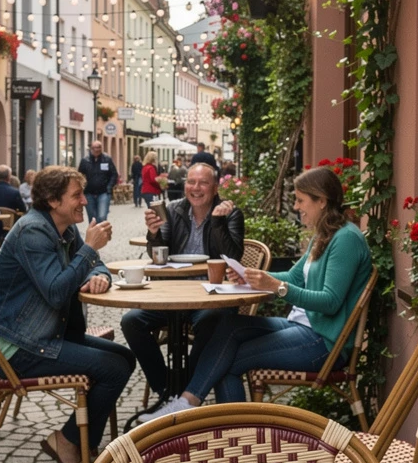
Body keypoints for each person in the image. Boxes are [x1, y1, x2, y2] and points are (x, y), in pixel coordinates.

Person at [140, 166, 369, 420]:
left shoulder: (345, 239)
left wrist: (276, 288)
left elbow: (330, 302)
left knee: (226, 362)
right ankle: (191, 406)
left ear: (322, 201)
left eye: (301, 200)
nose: (296, 206)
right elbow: (293, 277)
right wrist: (253, 277)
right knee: (228, 325)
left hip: (324, 341)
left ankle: (218, 426)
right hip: (303, 326)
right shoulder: (323, 235)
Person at [0, 165, 135, 463]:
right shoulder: (33, 232)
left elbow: (95, 266)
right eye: (76, 196)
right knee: (113, 367)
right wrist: (90, 249)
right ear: (53, 201)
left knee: (125, 357)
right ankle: (67, 442)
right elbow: (55, 291)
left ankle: (81, 442)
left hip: (48, 333)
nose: (84, 202)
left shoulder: (64, 228)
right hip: (18, 346)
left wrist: (100, 277)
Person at [121, 162, 244, 409]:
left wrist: (218, 222)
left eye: (203, 183)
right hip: (172, 293)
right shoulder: (172, 210)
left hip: (211, 295)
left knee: (212, 321)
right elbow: (158, 255)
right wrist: (154, 233)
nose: (195, 188)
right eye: (191, 182)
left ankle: (186, 390)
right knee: (131, 321)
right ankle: (167, 388)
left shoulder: (231, 213)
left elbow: (233, 256)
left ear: (215, 186)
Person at [78, 141, 118, 224]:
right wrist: (82, 188)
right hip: (89, 193)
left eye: (99, 147)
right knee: (92, 218)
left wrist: (109, 187)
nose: (97, 150)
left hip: (104, 192)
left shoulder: (107, 159)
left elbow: (114, 174)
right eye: (95, 148)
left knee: (102, 216)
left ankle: (102, 235)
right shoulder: (85, 160)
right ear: (91, 149)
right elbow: (79, 175)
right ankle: (94, 236)